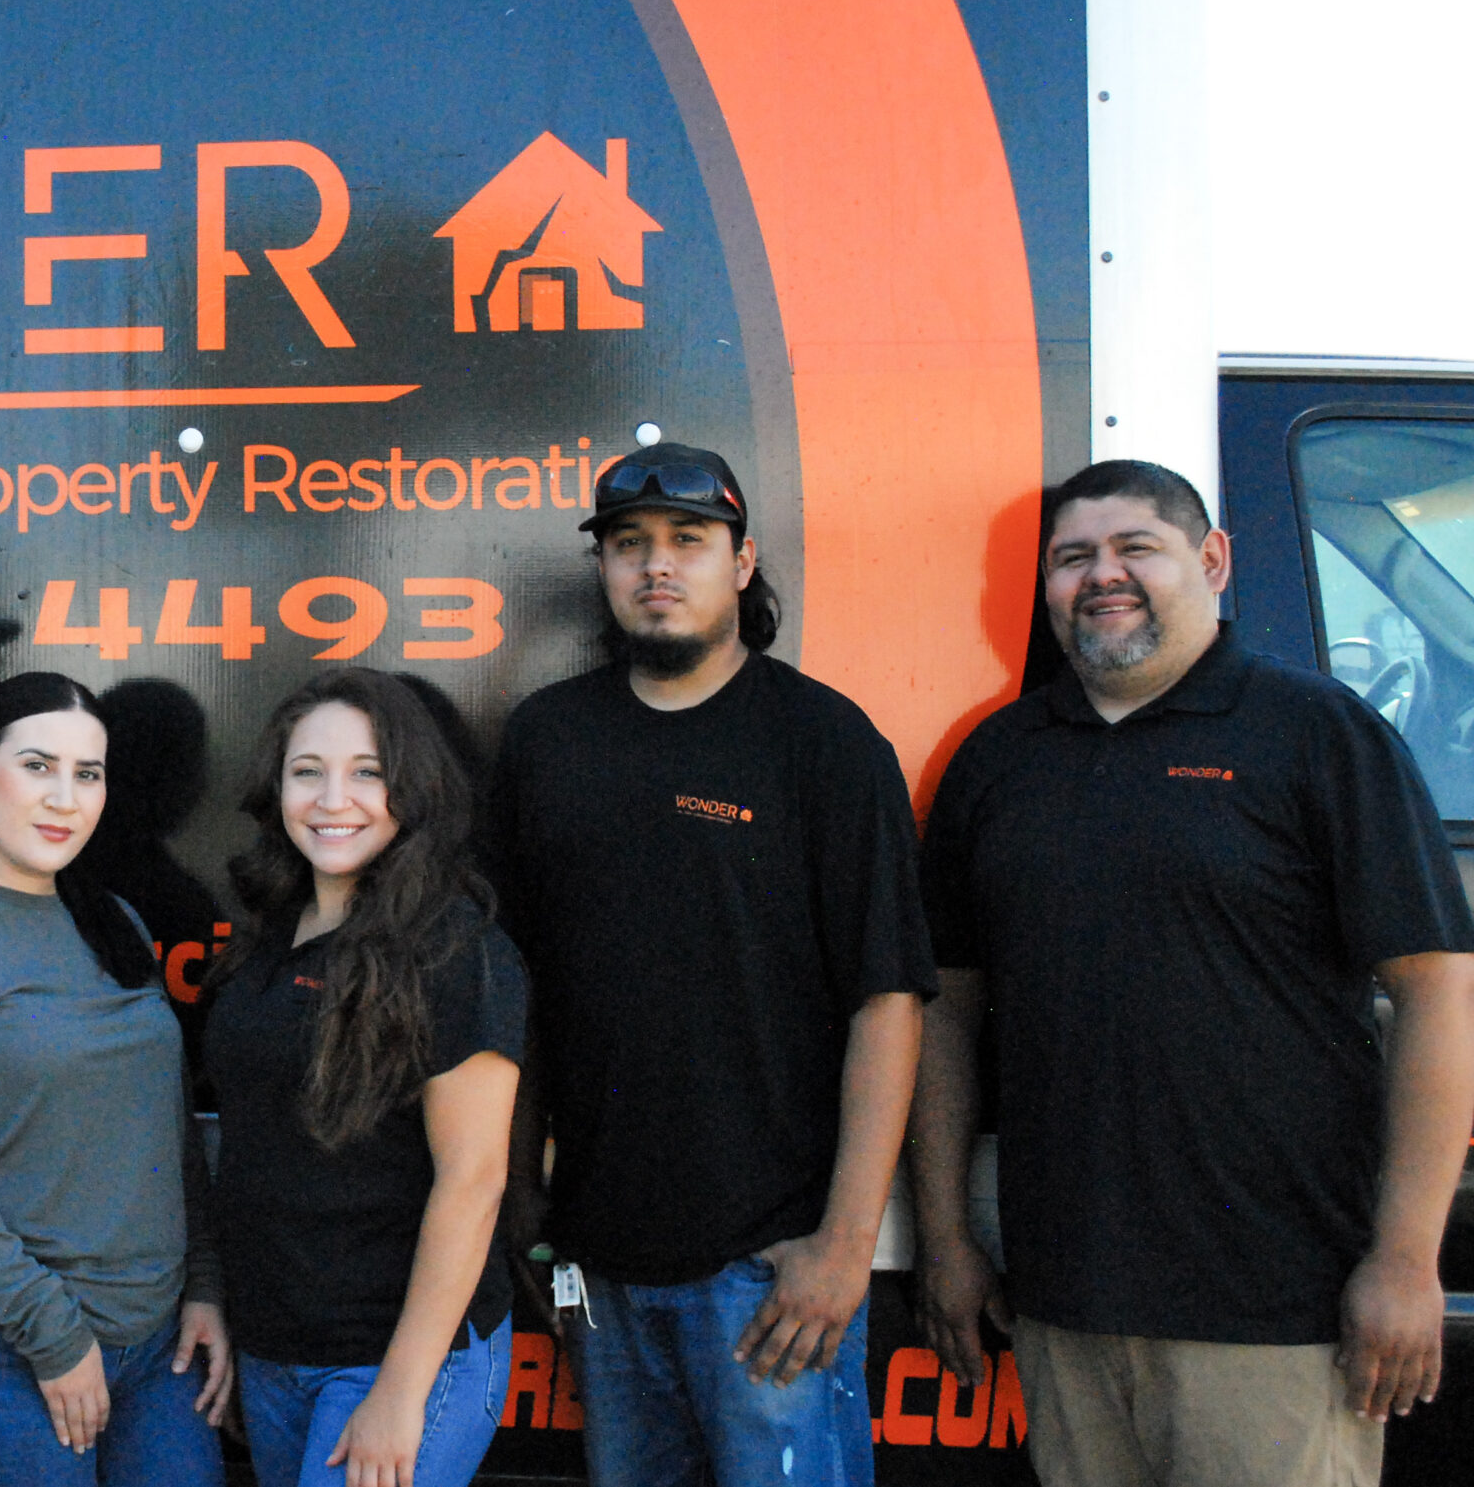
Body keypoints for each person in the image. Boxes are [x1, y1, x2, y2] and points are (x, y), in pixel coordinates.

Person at [910, 459, 1474, 1487]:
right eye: (1073, 557)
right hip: (1064, 1304)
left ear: (1211, 560)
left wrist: (1404, 1258)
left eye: (1137, 549)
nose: (1103, 576)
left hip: (1275, 1311)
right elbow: (943, 1012)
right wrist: (946, 1237)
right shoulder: (997, 762)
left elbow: (1437, 988)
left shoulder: (1317, 735)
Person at [488, 441, 931, 1487]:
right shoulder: (547, 740)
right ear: (601, 569)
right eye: (629, 544)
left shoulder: (822, 744)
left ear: (741, 561)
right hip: (594, 1264)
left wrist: (840, 1248)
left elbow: (890, 1003)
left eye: (689, 540)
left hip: (768, 1274)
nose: (657, 565)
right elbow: (515, 992)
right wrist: (518, 1203)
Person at [0, 671, 232, 1486]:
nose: (65, 796)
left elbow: (164, 1127)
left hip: (158, 1347)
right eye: (36, 765)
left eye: (87, 773)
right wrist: (55, 1337)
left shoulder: (115, 923)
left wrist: (201, 1280)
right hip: (3, 1352)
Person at [206, 668, 526, 1487]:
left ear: (411, 788)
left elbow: (475, 1181)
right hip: (275, 1348)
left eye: (367, 772)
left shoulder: (457, 948)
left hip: (399, 1357)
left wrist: (400, 1391)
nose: (332, 797)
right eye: (307, 770)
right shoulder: (272, 932)